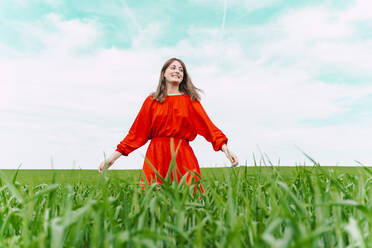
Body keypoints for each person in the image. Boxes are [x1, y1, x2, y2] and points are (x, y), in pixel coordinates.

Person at [98, 58, 238, 193]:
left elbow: (209, 127)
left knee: (189, 198)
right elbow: (136, 134)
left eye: (181, 70)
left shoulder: (190, 101)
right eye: (173, 67)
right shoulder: (151, 101)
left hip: (182, 155)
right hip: (157, 155)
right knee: (154, 198)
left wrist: (226, 149)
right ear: (164, 73)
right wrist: (111, 159)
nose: (177, 71)